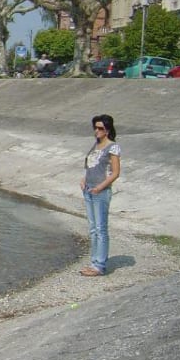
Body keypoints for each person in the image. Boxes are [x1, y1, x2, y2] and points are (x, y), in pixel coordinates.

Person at [79, 114, 121, 276]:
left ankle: (100, 266)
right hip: (88, 190)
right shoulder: (95, 145)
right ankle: (94, 262)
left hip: (101, 192)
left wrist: (100, 187)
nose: (97, 131)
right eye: (95, 128)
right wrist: (83, 180)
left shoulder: (113, 147)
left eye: (100, 128)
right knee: (92, 228)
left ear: (108, 129)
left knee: (100, 228)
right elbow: (90, 167)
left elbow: (115, 173)